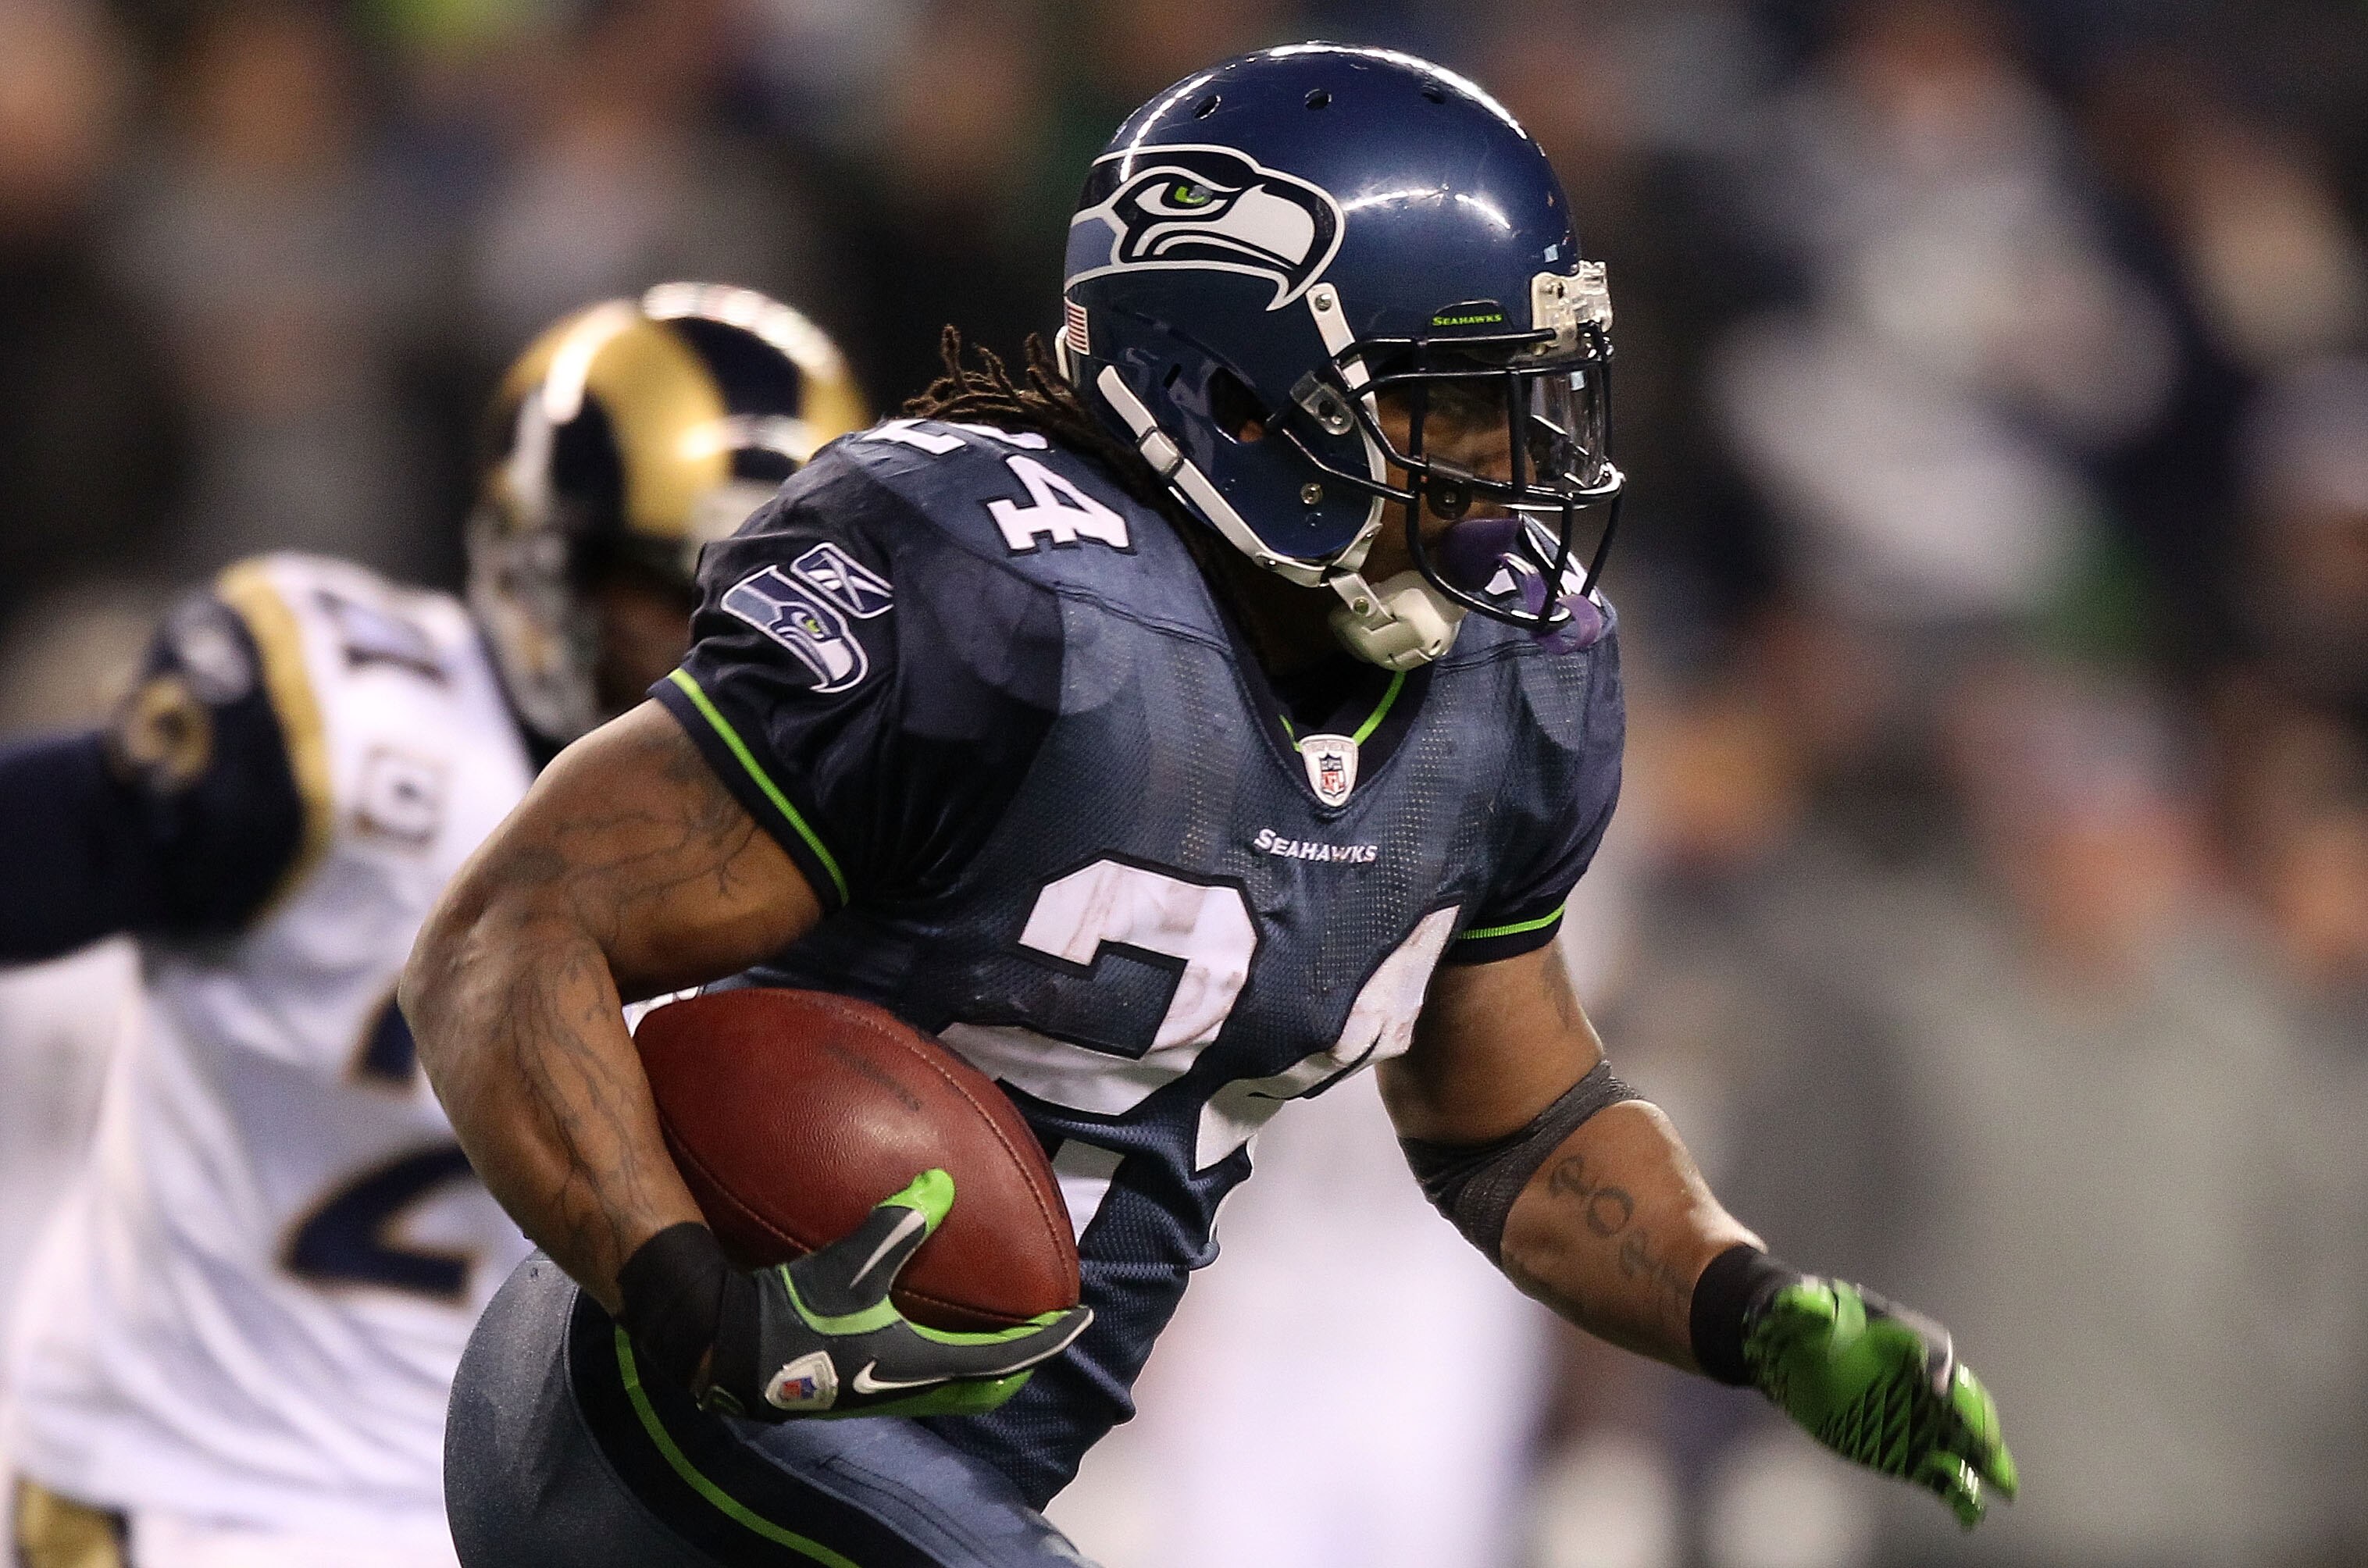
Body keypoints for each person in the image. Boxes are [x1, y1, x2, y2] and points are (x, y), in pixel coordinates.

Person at [405, 47, 2017, 1568]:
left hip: (960, 1467)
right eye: (1439, 405)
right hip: (667, 1400)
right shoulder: (1002, 599)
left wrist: (1749, 1307)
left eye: (1518, 399)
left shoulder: (1507, 684)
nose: (1495, 467)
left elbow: (1513, 1127)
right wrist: (690, 1291)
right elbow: (509, 931)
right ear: (1236, 396)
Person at [0, 283, 868, 1566]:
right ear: (540, 561)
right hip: (193, 1496)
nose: (718, 651)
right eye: (668, 591)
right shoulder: (348, 734)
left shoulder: (840, 844)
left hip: (499, 1528)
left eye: (770, 604)